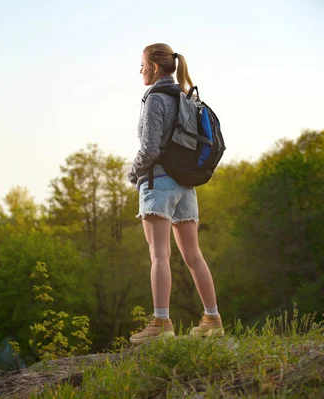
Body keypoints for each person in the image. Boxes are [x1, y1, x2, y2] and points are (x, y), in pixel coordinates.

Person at [127, 43, 224, 344]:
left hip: (159, 183)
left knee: (159, 255)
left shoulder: (155, 97)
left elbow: (150, 147)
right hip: (186, 184)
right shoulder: (183, 96)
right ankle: (212, 319)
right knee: (194, 255)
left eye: (142, 64)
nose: (140, 70)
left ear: (155, 67)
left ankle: (160, 323)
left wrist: (134, 173)